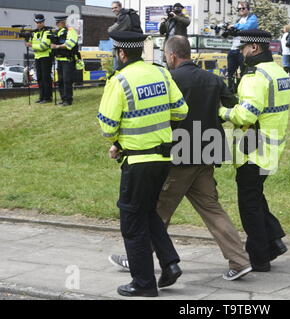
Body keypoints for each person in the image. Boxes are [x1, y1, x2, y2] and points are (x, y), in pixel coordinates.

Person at [109, 36, 253, 281]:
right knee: (212, 209)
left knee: (156, 210)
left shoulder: (168, 79)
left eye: (166, 55)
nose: (166, 59)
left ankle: (138, 259)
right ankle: (239, 260)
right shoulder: (213, 79)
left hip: (179, 154)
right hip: (207, 152)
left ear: (172, 56)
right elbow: (231, 108)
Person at [98, 31, 188, 297]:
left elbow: (107, 126)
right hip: (162, 159)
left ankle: (143, 284)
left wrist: (117, 141)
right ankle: (170, 264)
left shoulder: (119, 80)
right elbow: (181, 110)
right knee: (148, 213)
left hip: (137, 162)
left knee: (132, 222)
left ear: (122, 53)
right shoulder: (160, 73)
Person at [218, 29, 290, 272]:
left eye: (243, 48)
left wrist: (222, 112)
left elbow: (246, 114)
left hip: (253, 149)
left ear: (255, 49)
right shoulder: (279, 72)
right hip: (271, 147)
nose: (240, 52)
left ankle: (259, 258)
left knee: (249, 203)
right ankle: (274, 241)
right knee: (256, 196)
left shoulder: (254, 76)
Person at [226, 1, 258, 92]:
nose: (241, 10)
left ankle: (244, 89)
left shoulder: (253, 18)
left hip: (244, 49)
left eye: (243, 8)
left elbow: (247, 27)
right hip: (233, 49)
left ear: (248, 9)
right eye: (239, 9)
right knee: (231, 72)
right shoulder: (238, 20)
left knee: (244, 71)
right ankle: (231, 89)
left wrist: (235, 26)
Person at [51, 16, 78, 106]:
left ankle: (68, 100)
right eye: (56, 23)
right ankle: (63, 98)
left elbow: (70, 44)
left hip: (68, 60)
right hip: (59, 59)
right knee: (61, 81)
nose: (56, 24)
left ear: (63, 22)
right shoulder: (58, 32)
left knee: (67, 80)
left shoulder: (71, 31)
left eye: (58, 22)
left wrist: (57, 46)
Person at [25, 14, 52, 103]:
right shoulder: (35, 33)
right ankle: (42, 97)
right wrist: (26, 37)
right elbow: (28, 43)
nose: (38, 24)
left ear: (43, 22)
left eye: (40, 22)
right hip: (38, 57)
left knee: (45, 78)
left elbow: (43, 46)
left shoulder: (47, 31)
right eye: (37, 22)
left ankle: (47, 97)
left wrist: (32, 45)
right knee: (39, 78)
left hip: (46, 57)